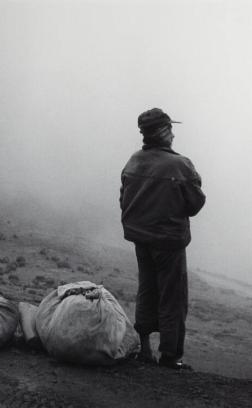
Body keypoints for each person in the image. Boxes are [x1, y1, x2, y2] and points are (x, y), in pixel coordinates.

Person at [119, 108, 206, 370]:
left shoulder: (133, 161)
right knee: (173, 297)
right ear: (164, 132)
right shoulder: (179, 165)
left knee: (146, 289)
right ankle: (170, 356)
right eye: (171, 129)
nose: (174, 134)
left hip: (140, 237)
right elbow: (195, 203)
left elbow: (123, 199)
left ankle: (144, 349)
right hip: (168, 241)